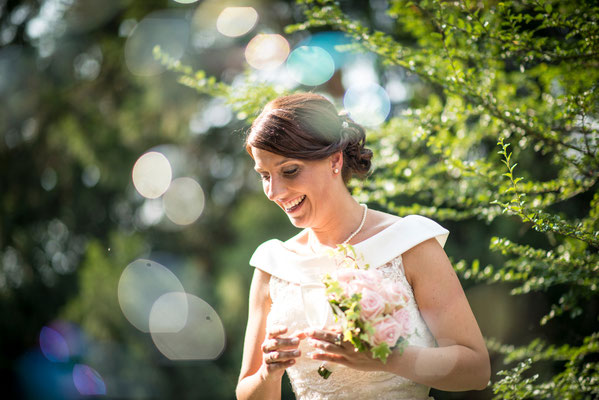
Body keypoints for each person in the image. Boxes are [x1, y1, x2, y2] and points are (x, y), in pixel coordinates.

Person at [236, 93, 491, 400]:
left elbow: (476, 370)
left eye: (289, 171)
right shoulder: (273, 264)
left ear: (334, 160)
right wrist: (268, 372)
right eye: (265, 176)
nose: (274, 192)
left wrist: (388, 358)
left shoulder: (409, 242)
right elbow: (247, 392)